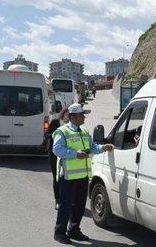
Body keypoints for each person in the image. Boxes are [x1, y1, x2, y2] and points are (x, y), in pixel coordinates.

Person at [52, 103, 114, 244]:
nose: (84, 117)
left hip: (83, 175)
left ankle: (74, 230)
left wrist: (103, 147)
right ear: (73, 117)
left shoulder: (84, 131)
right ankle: (59, 232)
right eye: (81, 115)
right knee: (66, 206)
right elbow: (57, 149)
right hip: (68, 176)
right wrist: (74, 154)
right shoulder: (62, 131)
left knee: (80, 205)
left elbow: (91, 147)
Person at [46, 107, 69, 211]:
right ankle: (57, 200)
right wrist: (57, 134)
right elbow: (47, 135)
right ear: (63, 114)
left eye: (71, 115)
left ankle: (67, 199)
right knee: (57, 177)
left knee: (66, 177)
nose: (68, 117)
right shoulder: (55, 122)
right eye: (67, 115)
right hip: (54, 154)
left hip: (66, 154)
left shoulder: (72, 126)